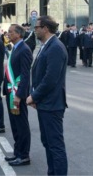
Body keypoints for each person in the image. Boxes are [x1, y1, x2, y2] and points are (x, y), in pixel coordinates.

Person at [26, 15, 68, 175]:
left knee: (55, 145)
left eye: (36, 28)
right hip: (46, 103)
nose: (34, 30)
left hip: (52, 104)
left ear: (45, 28)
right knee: (48, 143)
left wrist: (34, 96)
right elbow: (39, 73)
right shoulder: (46, 45)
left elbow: (50, 79)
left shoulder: (55, 47)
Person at [3, 24, 33, 166]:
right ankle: (17, 152)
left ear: (19, 34)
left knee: (21, 125)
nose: (8, 34)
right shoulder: (15, 48)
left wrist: (19, 95)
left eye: (10, 32)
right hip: (11, 92)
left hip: (17, 94)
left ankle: (24, 155)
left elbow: (25, 75)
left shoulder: (24, 49)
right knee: (14, 125)